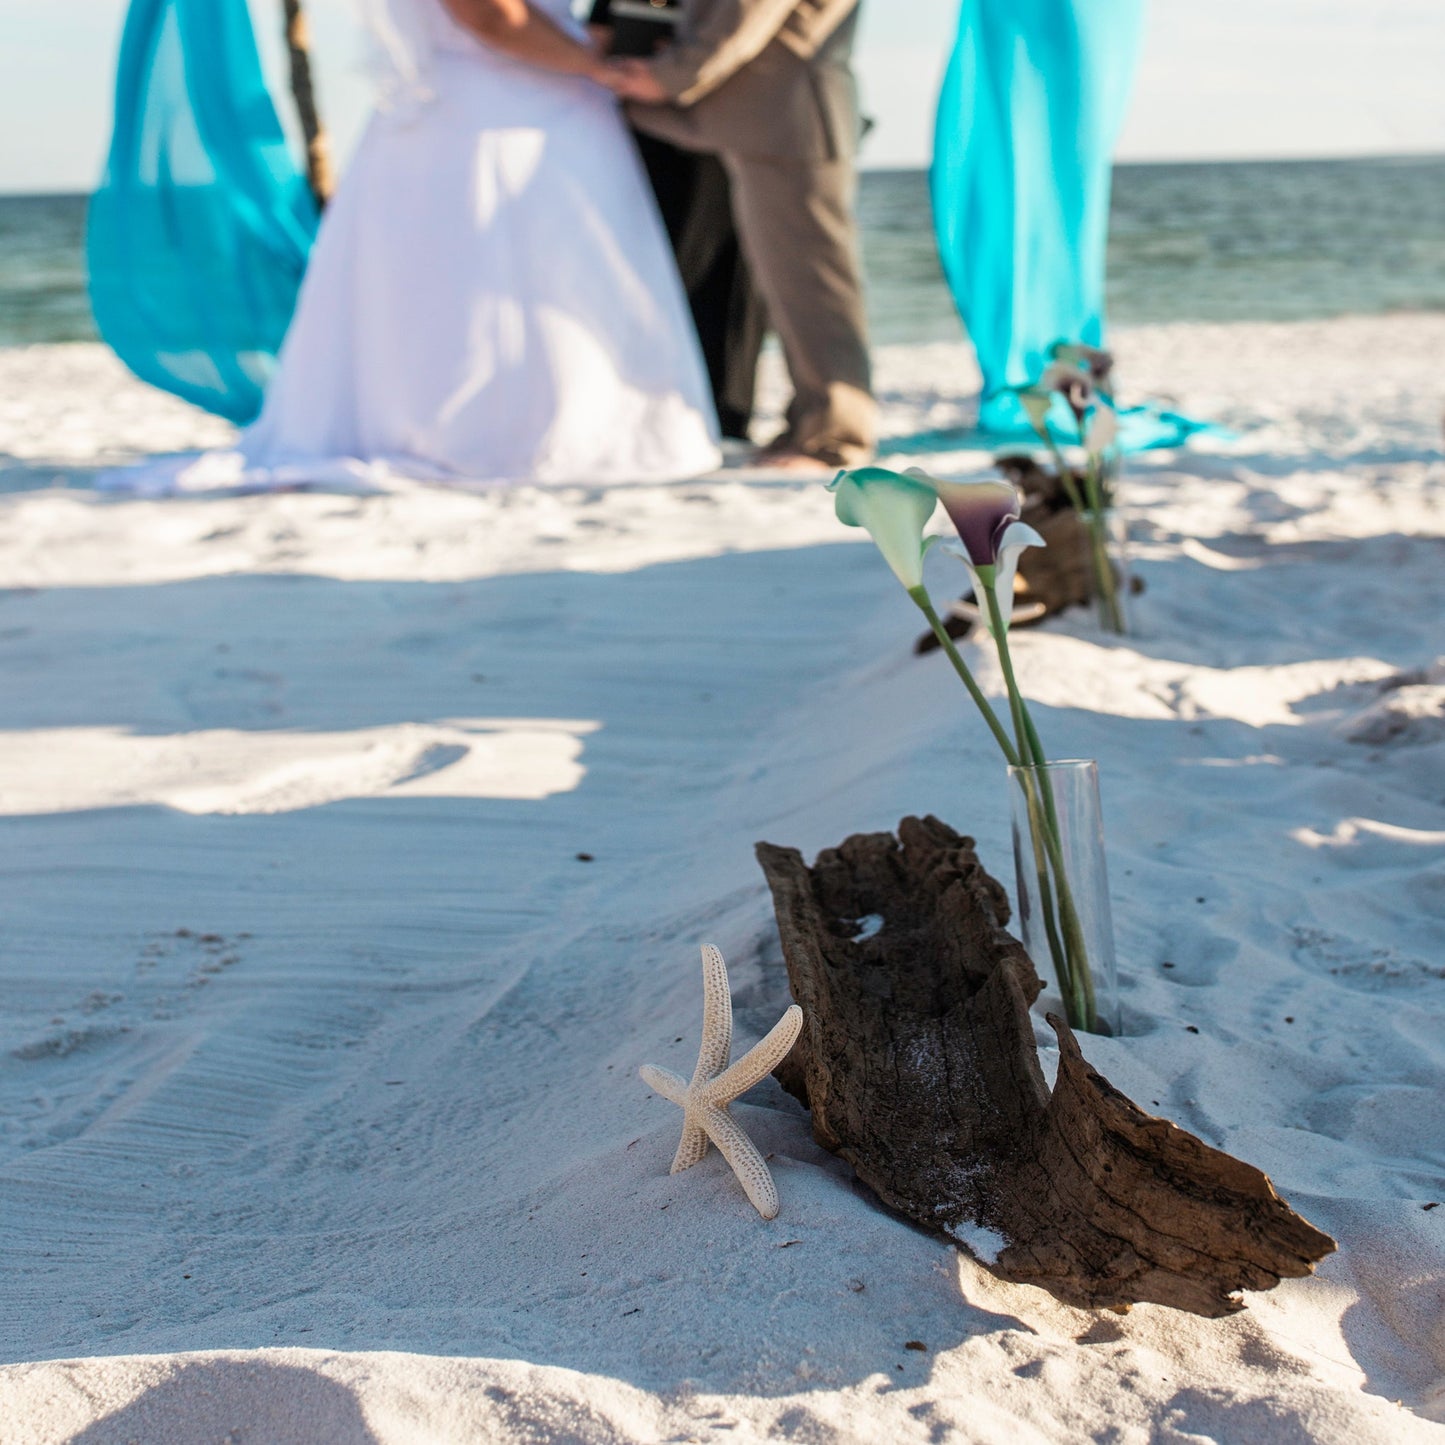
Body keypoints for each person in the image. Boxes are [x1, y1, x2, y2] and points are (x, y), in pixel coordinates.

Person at [114, 0, 721, 493]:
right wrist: (595, 64)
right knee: (496, 279)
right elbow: (489, 15)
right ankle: (491, 434)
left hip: (475, 105)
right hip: (494, 111)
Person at [606, 0, 875, 473]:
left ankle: (835, 438)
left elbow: (750, 10)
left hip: (790, 121)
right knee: (791, 289)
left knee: (813, 287)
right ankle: (809, 425)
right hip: (770, 121)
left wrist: (668, 75)